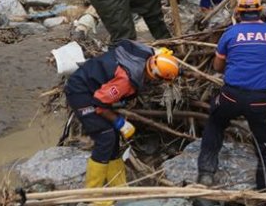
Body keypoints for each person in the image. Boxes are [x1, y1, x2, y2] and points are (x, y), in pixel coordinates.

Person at [196, 0, 266, 194]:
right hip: (260, 101)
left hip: (231, 95)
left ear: (238, 11)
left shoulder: (229, 33)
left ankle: (205, 172)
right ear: (261, 9)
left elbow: (217, 66)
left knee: (215, 122)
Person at [64, 41, 180, 204]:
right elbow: (99, 104)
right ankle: (92, 196)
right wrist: (119, 122)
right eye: (159, 80)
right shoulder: (125, 80)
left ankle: (119, 187)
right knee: (105, 136)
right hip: (81, 91)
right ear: (154, 74)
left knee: (113, 139)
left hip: (95, 88)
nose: (158, 83)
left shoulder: (148, 54)